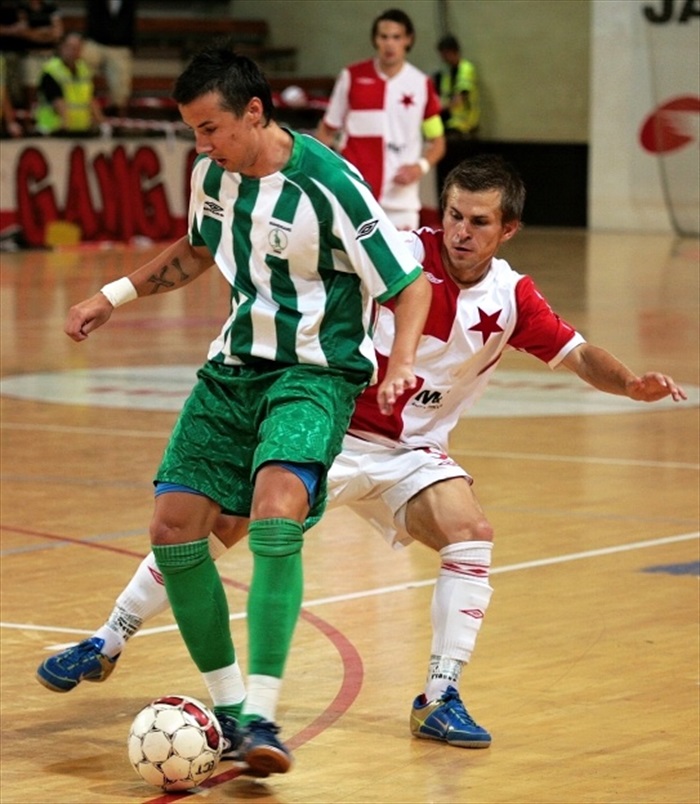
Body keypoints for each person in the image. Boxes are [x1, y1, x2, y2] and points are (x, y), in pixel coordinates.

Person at [37, 155, 687, 757]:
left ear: (507, 230)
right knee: (226, 526)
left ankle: (438, 697)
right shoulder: (399, 254)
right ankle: (107, 639)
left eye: (479, 222)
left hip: (414, 454)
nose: (461, 231)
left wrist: (630, 383)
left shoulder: (513, 300)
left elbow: (577, 353)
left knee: (472, 532)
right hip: (338, 432)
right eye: (454, 215)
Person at [51, 43, 431, 778]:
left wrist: (405, 361)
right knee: (172, 529)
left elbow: (408, 285)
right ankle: (230, 714)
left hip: (314, 374)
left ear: (253, 113)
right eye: (193, 131)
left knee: (276, 510)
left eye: (209, 129)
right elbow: (197, 250)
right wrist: (112, 296)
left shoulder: (331, 185)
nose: (201, 145)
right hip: (232, 370)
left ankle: (263, 712)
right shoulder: (212, 177)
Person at [315, 8, 445, 231]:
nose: (389, 44)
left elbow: (438, 142)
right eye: (383, 37)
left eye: (396, 37)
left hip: (401, 202)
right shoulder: (351, 77)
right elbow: (326, 132)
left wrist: (419, 167)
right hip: (355, 196)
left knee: (402, 265)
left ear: (408, 40)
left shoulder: (421, 84)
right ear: (375, 40)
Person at [34, 31, 104, 135]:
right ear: (61, 47)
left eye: (78, 48)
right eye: (70, 47)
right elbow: (57, 101)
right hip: (54, 130)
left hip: (80, 130)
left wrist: (102, 123)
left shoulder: (84, 70)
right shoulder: (51, 71)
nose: (74, 51)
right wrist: (65, 124)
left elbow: (91, 99)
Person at [80, 0, 136, 117]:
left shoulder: (130, 2)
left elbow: (130, 24)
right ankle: (84, 98)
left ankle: (116, 111)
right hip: (96, 42)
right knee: (82, 62)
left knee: (121, 78)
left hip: (119, 46)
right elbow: (92, 22)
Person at [16, 0, 63, 107]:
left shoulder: (50, 7)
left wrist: (34, 33)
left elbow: (58, 33)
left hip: (49, 56)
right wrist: (46, 33)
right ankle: (32, 115)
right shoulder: (22, 7)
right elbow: (23, 32)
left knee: (54, 87)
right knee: (31, 88)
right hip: (30, 55)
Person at [434, 34, 480, 138]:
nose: (442, 58)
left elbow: (459, 99)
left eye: (444, 54)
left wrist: (438, 108)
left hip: (465, 125)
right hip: (451, 123)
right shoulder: (447, 73)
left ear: (452, 52)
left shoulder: (466, 69)